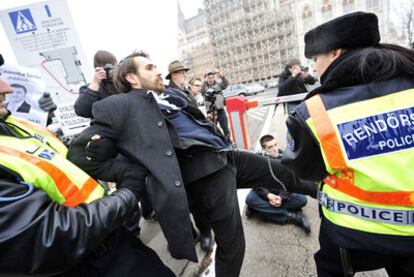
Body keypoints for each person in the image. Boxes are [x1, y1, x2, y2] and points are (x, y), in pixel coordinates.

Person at [67, 50, 317, 277]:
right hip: (205, 177)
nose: (158, 71)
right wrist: (132, 173)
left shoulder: (170, 95)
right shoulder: (116, 106)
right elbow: (80, 156)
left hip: (224, 157)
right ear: (132, 78)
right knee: (233, 244)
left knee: (284, 172)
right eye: (151, 68)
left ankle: (337, 193)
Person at [281, 11, 414, 276]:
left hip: (352, 235)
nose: (315, 68)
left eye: (316, 59)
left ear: (335, 53)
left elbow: (306, 170)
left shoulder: (315, 110)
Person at [0, 78, 174, 276]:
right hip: (82, 262)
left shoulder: (15, 123)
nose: (6, 88)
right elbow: (46, 237)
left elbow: (62, 162)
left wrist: (91, 150)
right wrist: (126, 195)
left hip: (110, 238)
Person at [166, 60, 214, 252]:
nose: (185, 74)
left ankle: (205, 231)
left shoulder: (185, 92)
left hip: (192, 148)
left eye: (185, 71)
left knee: (199, 196)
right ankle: (200, 233)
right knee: (187, 200)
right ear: (172, 75)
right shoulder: (167, 93)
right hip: (178, 152)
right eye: (181, 72)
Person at [245, 134, 310, 233]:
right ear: (263, 149)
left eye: (275, 145)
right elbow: (255, 183)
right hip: (265, 190)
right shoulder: (257, 160)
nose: (275, 149)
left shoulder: (285, 158)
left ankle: (260, 209)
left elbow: (291, 182)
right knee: (250, 199)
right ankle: (291, 216)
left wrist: (281, 197)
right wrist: (268, 195)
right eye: (270, 147)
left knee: (302, 200)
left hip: (280, 190)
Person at [74, 50, 119, 118]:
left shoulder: (122, 83)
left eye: (112, 68)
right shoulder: (90, 87)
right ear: (97, 69)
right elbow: (81, 111)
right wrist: (95, 83)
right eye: (106, 68)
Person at [201, 70, 231, 143]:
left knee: (225, 129)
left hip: (220, 110)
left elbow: (226, 84)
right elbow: (201, 91)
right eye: (208, 78)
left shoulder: (218, 85)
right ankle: (218, 143)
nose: (210, 79)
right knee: (214, 130)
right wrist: (204, 82)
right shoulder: (205, 88)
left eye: (211, 78)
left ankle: (228, 142)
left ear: (213, 78)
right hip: (211, 113)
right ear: (206, 79)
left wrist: (222, 76)